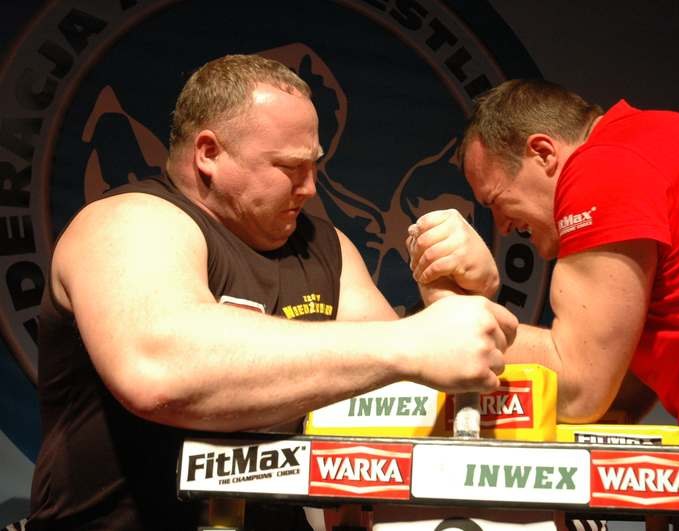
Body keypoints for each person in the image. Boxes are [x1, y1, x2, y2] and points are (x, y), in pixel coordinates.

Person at [27, 54, 517, 530]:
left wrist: (453, 290)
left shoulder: (326, 247)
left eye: (314, 165)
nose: (310, 188)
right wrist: (410, 341)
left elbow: (398, 397)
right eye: (289, 167)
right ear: (209, 154)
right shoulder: (128, 221)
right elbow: (158, 370)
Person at [407, 79, 679, 529]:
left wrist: (451, 316)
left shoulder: (603, 165)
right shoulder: (654, 140)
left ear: (543, 153)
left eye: (496, 200)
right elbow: (619, 389)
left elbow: (580, 388)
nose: (501, 226)